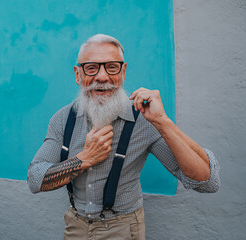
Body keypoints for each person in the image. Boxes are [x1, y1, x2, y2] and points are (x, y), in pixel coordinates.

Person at [27, 34, 220, 240]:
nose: (102, 77)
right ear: (78, 74)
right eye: (91, 68)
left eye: (111, 67)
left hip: (123, 229)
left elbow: (207, 182)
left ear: (123, 71)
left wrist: (163, 121)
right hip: (75, 226)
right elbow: (35, 179)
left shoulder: (144, 120)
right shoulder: (62, 119)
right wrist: (84, 160)